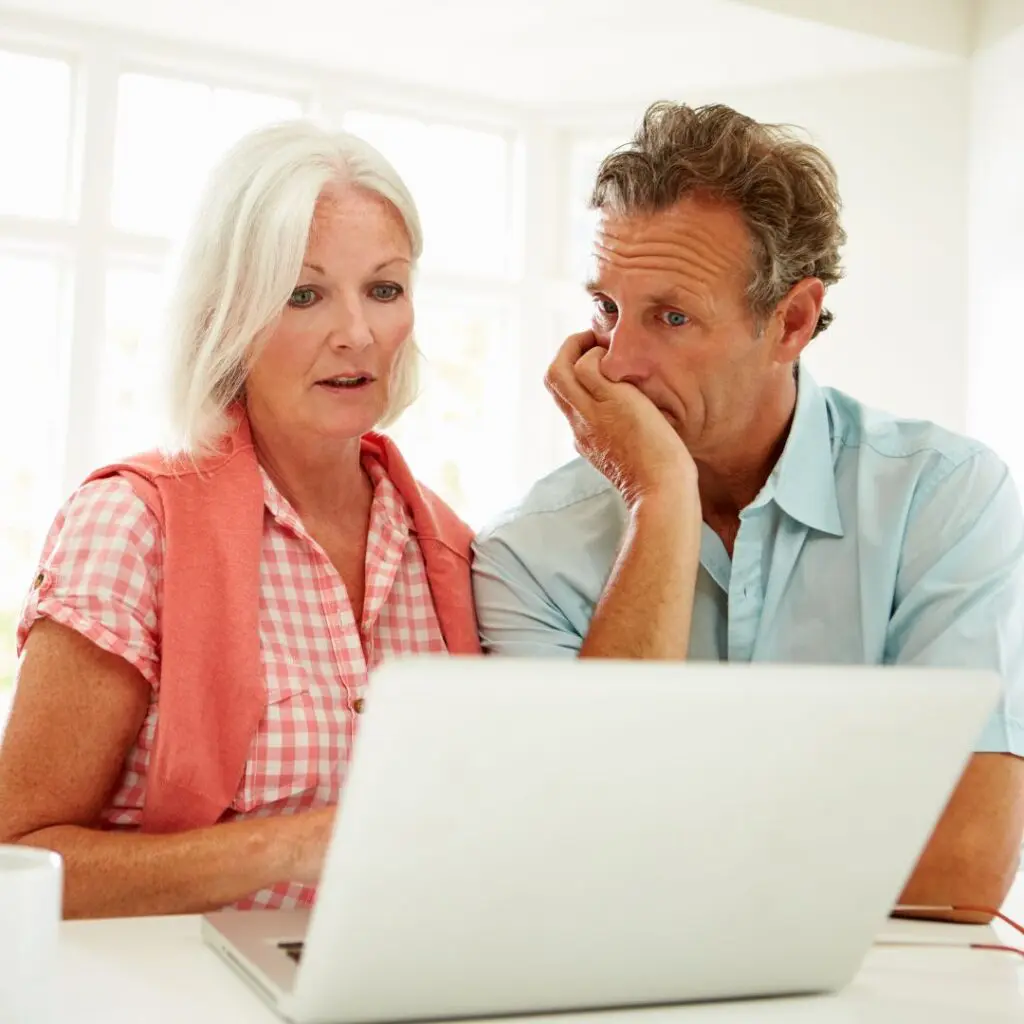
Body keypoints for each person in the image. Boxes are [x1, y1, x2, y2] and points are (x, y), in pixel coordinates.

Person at [473, 102, 1024, 919]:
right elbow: (575, 847)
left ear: (792, 321)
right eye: (607, 310)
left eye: (672, 317)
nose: (618, 364)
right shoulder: (527, 551)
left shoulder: (941, 499)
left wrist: (664, 848)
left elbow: (961, 871)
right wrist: (658, 499)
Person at [0, 121, 479, 918]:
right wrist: (298, 843)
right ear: (228, 311)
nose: (356, 332)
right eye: (304, 293)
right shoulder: (131, 525)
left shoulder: (446, 545)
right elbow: (16, 860)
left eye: (384, 290)